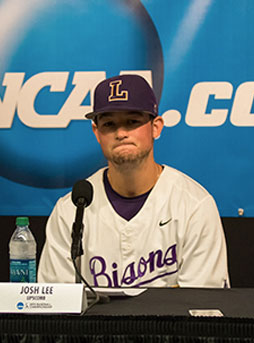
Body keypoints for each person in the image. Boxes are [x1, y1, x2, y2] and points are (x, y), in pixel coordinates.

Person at [38, 74, 228, 287]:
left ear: (156, 127)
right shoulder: (70, 211)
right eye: (109, 124)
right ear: (96, 132)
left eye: (132, 122)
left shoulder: (194, 206)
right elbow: (56, 302)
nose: (120, 133)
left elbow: (201, 304)